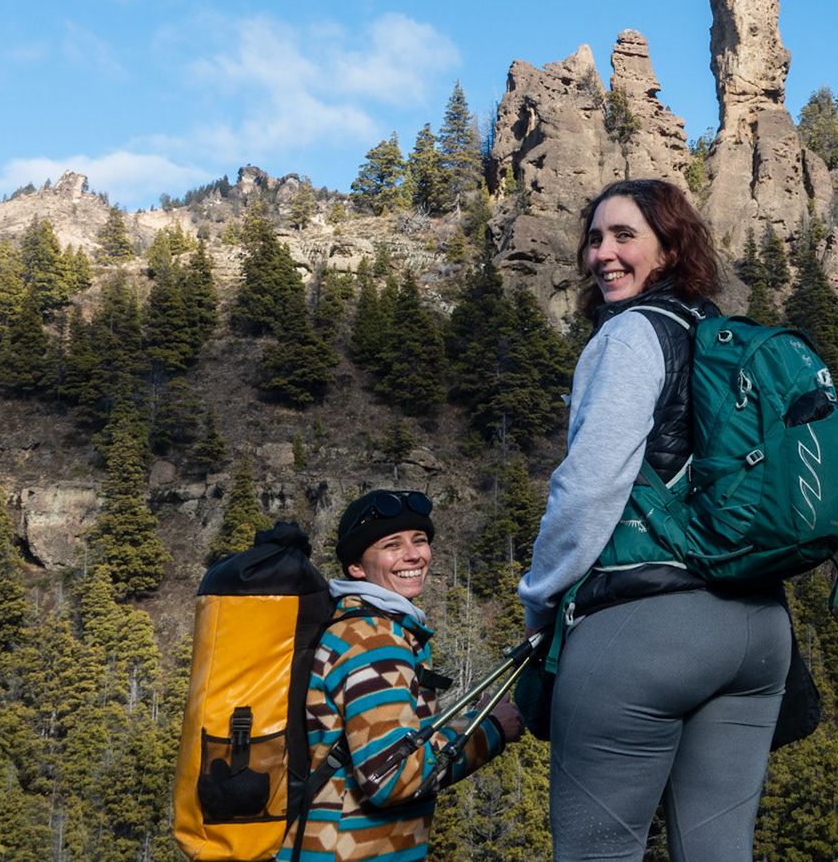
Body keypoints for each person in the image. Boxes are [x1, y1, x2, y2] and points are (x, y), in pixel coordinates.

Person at [518, 178, 792, 862]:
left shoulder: (633, 334)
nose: (602, 254)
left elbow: (589, 486)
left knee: (598, 851)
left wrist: (540, 602)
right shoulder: (722, 342)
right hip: (758, 633)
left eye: (624, 236)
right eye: (594, 239)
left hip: (646, 631)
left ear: (669, 250)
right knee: (717, 850)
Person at [281, 490, 522, 862]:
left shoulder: (359, 625)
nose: (413, 555)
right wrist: (490, 730)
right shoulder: (375, 640)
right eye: (391, 545)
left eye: (419, 540)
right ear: (356, 567)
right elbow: (390, 777)